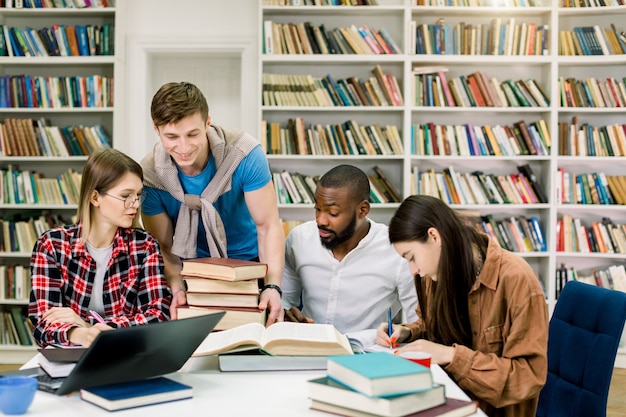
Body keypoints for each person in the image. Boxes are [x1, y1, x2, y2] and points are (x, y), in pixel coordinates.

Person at [376, 195, 548, 417]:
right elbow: (431, 324)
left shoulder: (516, 279)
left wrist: (452, 356)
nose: (413, 270)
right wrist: (408, 331)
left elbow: (527, 378)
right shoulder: (435, 270)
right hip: (445, 398)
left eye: (412, 257)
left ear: (434, 236)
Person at [140, 81, 284, 324]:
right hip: (190, 275)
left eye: (193, 134)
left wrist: (273, 286)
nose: (183, 147)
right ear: (156, 129)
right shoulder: (151, 176)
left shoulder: (245, 154)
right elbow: (164, 247)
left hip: (251, 269)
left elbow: (268, 226)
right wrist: (177, 289)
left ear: (208, 123)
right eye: (172, 137)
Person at [29, 148, 172, 348]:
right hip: (72, 358)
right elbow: (42, 324)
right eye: (126, 195)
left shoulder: (145, 246)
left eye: (138, 195)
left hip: (127, 353)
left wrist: (86, 324)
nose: (135, 203)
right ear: (95, 198)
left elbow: (158, 316)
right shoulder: (52, 245)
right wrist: (81, 335)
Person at [282, 164, 418, 335]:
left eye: (332, 213)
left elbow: (419, 321)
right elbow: (285, 300)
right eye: (317, 209)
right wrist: (287, 313)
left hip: (368, 355)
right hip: (309, 349)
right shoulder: (299, 239)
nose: (320, 220)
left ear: (362, 210)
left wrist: (405, 332)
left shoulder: (397, 251)